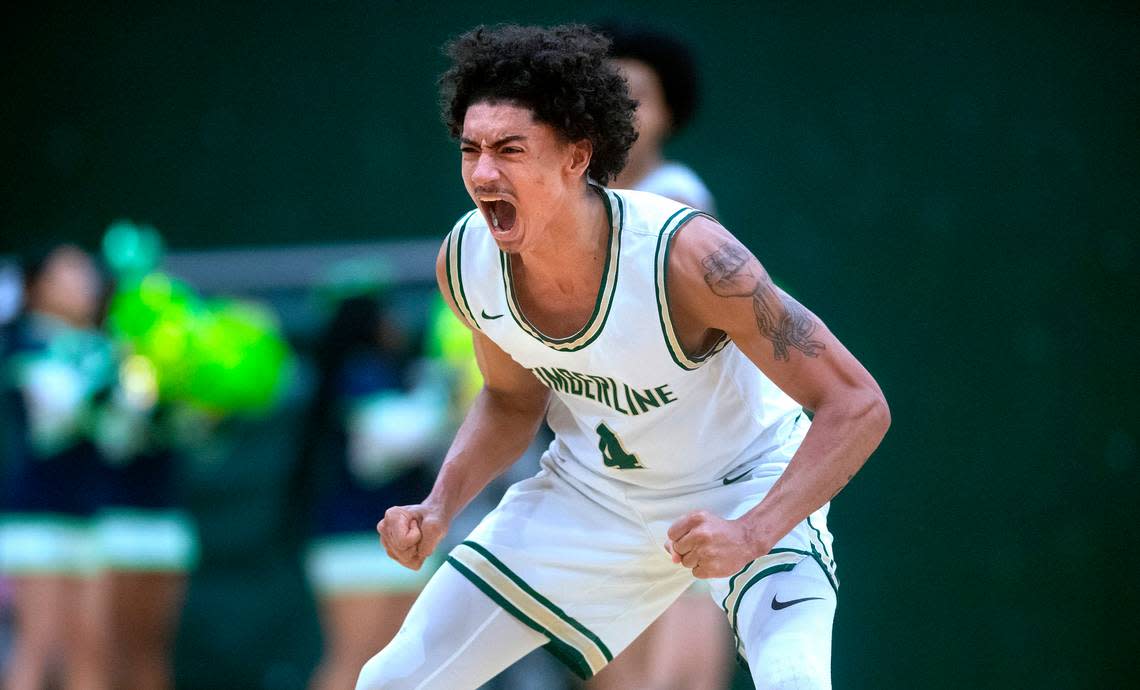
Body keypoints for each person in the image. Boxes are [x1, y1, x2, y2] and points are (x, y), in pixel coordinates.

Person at [356, 24, 889, 690]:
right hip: (597, 494)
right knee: (392, 681)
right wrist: (440, 505)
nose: (484, 172)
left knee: (791, 681)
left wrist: (753, 533)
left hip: (745, 485)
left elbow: (857, 403)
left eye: (510, 149)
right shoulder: (467, 260)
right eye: (471, 149)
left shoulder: (690, 255)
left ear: (577, 157)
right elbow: (512, 398)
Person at [584, 20, 731, 690]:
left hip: (693, 469)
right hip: (610, 472)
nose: (621, 112)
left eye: (637, 96)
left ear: (669, 112)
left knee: (681, 679)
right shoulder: (568, 206)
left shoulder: (678, 199)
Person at [300, 292, 446, 690]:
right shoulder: (359, 371)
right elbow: (392, 440)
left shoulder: (392, 372)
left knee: (401, 670)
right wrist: (448, 392)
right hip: (355, 540)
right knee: (354, 662)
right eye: (387, 315)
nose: (396, 324)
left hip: (401, 543)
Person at [0, 245, 111, 690]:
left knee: (90, 651)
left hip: (86, 517)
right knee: (37, 650)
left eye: (87, 276)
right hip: (34, 518)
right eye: (69, 276)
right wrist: (102, 376)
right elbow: (52, 427)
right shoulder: (26, 342)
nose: (85, 286)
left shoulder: (102, 348)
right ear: (40, 288)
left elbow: (118, 441)